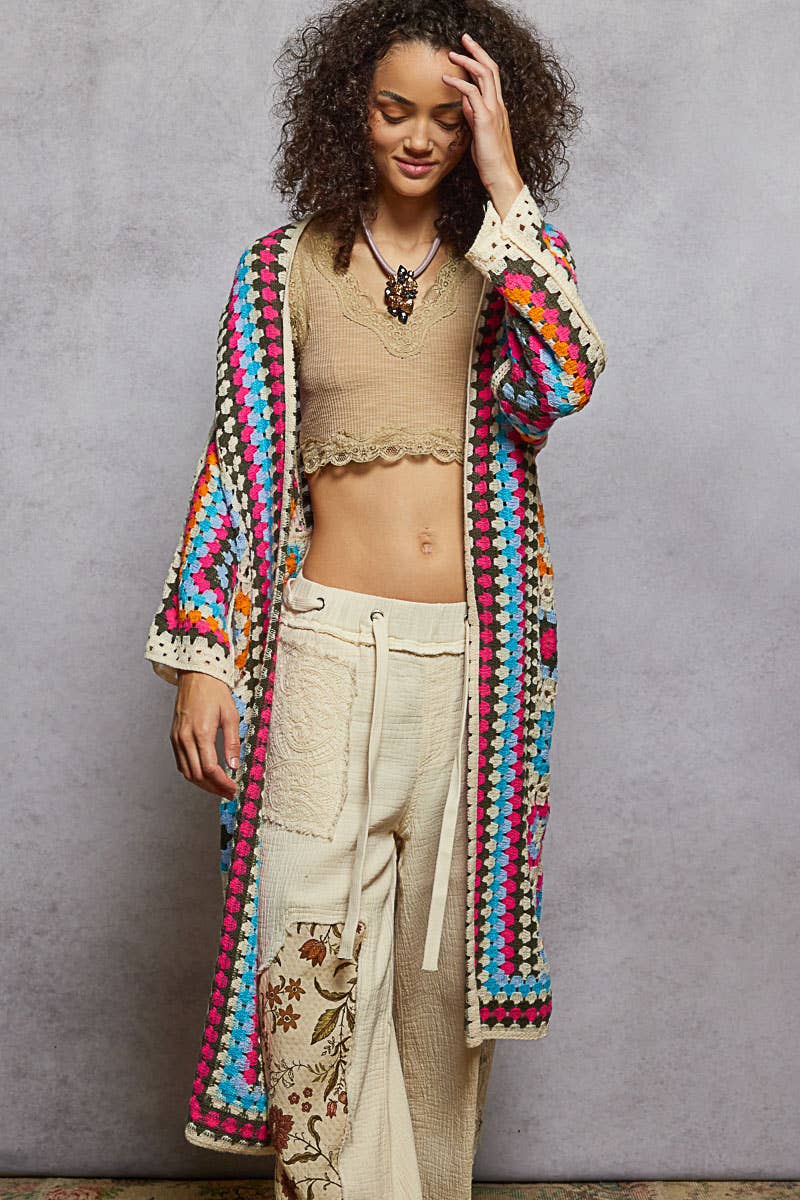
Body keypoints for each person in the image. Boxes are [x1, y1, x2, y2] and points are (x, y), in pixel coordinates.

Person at [144, 1, 607, 1196]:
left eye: (447, 118)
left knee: (438, 989)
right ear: (348, 109)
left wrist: (504, 182)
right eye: (394, 110)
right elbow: (233, 471)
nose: (417, 137)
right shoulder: (280, 269)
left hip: (470, 670)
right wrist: (201, 656)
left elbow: (560, 382)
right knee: (306, 966)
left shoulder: (505, 270)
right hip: (322, 655)